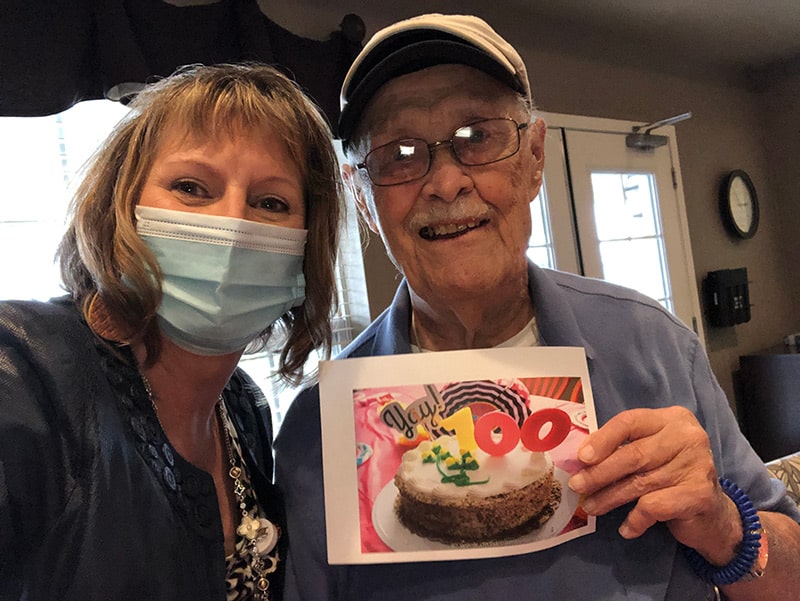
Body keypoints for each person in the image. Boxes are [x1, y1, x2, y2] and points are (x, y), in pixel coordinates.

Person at [274, 13, 800, 601]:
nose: (446, 182)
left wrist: (725, 527)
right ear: (365, 201)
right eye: (399, 154)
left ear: (534, 159)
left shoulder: (656, 345)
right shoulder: (317, 430)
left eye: (478, 136)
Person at [0, 63, 342, 600]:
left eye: (271, 203)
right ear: (122, 204)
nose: (232, 225)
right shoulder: (22, 374)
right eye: (191, 187)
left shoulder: (246, 413)